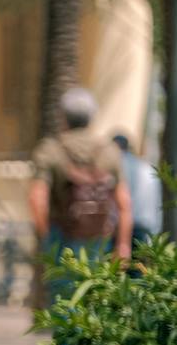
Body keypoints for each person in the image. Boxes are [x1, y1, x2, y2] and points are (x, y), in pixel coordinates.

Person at [28, 88, 132, 303]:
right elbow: (124, 204)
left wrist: (47, 235)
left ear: (63, 116)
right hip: (99, 239)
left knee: (63, 301)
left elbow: (37, 199)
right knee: (93, 297)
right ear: (92, 117)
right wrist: (123, 245)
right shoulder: (110, 151)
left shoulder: (51, 150)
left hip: (61, 235)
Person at [113, 133, 162, 246]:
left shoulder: (117, 166)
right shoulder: (148, 168)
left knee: (115, 262)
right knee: (141, 262)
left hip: (122, 226)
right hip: (146, 225)